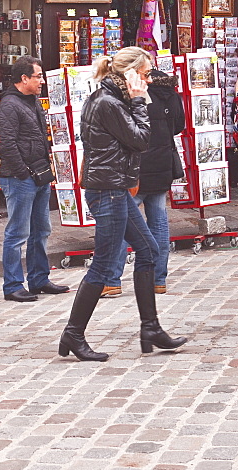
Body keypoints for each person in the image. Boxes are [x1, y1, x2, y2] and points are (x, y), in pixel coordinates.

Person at [59, 47, 187, 361]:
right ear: (129, 74)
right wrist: (141, 99)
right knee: (103, 264)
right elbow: (142, 139)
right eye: (143, 75)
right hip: (108, 191)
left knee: (148, 251)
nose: (146, 81)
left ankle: (151, 328)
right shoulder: (108, 102)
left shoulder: (111, 98)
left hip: (113, 189)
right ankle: (73, 334)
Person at [102, 66, 186, 297]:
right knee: (158, 221)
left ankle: (112, 280)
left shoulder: (137, 96)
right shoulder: (172, 96)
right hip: (162, 165)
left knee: (122, 222)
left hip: (138, 168)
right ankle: (158, 280)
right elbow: (179, 126)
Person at [0, 55, 70, 302]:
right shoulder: (9, 105)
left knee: (41, 229)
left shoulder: (33, 101)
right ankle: (13, 285)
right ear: (23, 78)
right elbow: (8, 143)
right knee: (17, 232)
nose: (42, 82)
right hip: (21, 178)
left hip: (39, 174)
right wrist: (23, 172)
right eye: (38, 76)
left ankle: (39, 278)